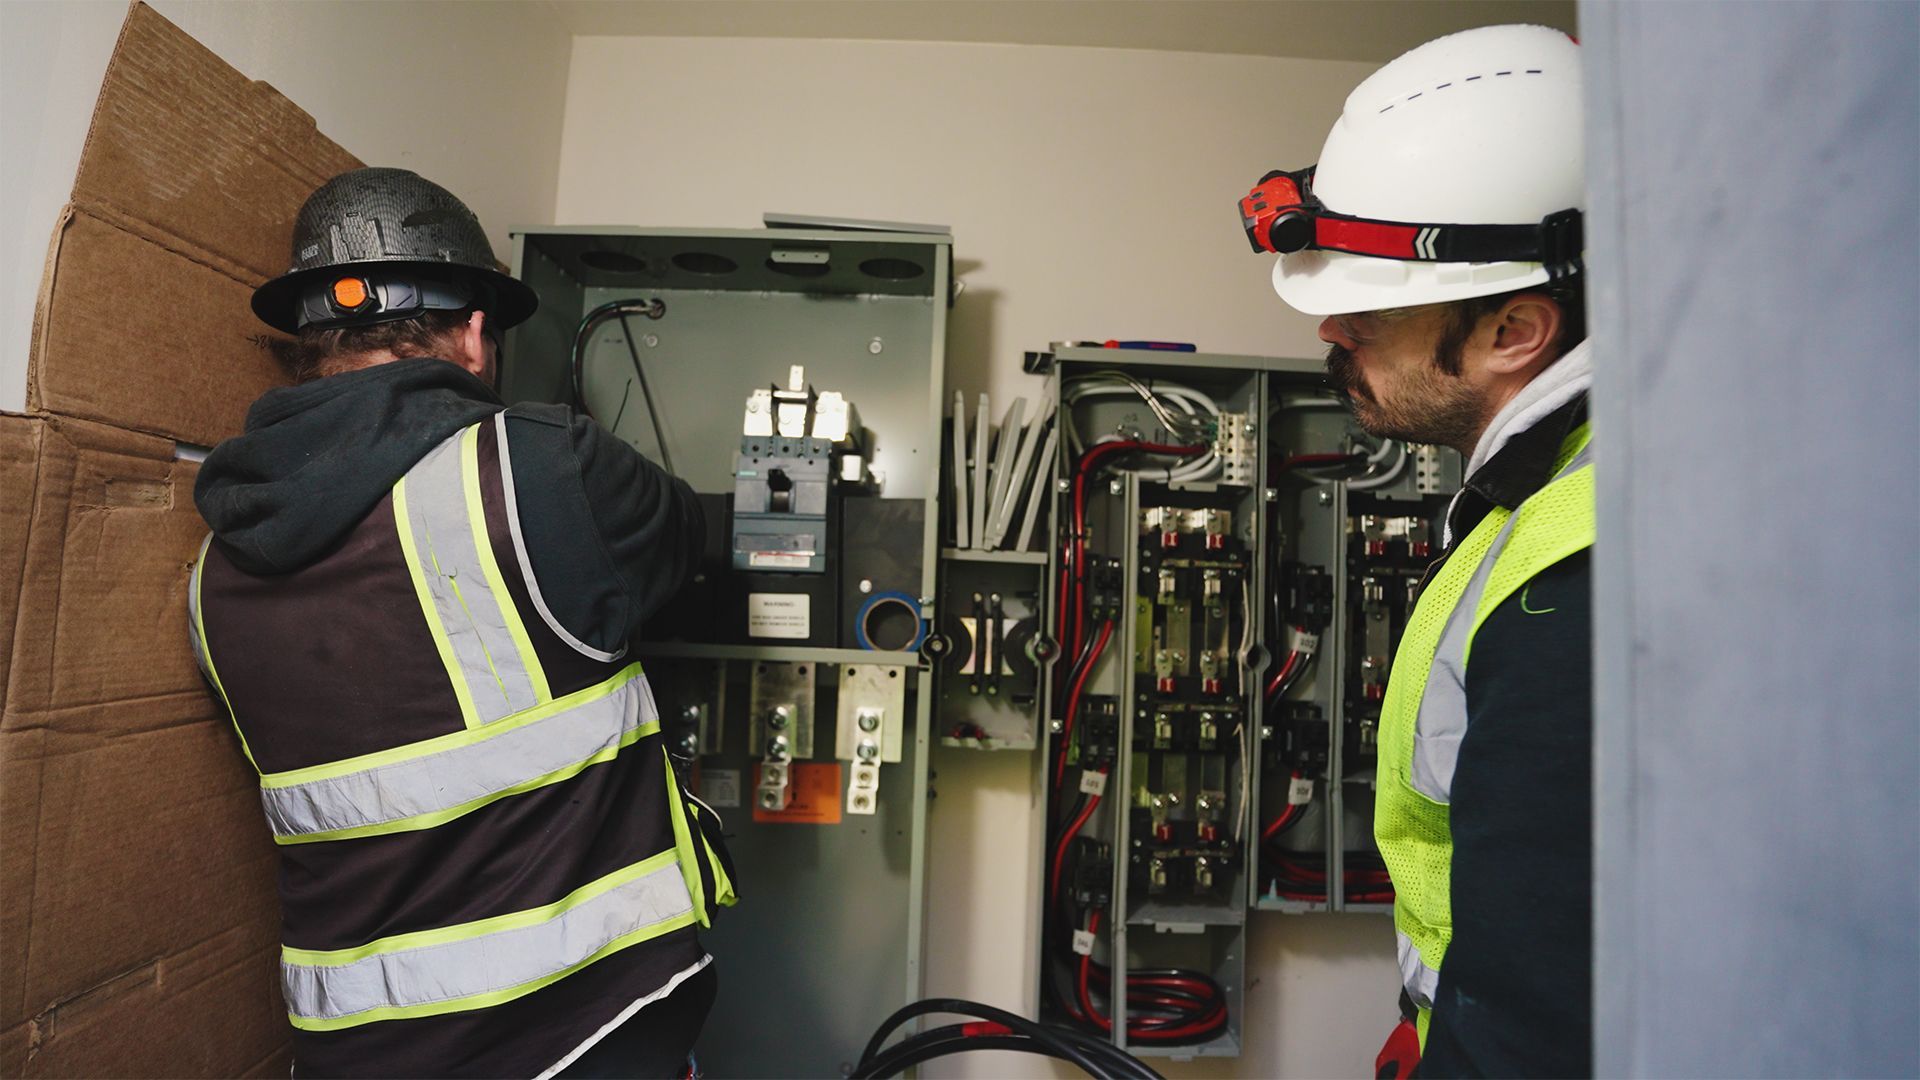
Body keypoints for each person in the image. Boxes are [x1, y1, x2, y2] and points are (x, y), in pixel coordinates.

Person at [188, 167, 734, 1078]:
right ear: (476, 335)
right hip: (579, 1034)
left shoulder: (211, 574)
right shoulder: (540, 471)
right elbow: (686, 538)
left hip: (350, 1054)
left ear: (310, 343)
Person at [1237, 24, 1593, 1077]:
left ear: (1512, 332)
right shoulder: (1536, 498)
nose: (1330, 336)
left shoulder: (1578, 576)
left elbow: (1544, 1007)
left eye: (1366, 317)